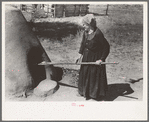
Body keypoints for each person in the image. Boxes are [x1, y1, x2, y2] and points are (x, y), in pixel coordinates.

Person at [77, 14, 110, 101]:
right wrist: (80, 55)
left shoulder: (98, 33)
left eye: (84, 24)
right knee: (85, 74)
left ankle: (94, 94)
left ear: (89, 25)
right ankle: (85, 92)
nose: (83, 26)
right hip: (86, 57)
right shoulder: (85, 32)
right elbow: (83, 44)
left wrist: (101, 59)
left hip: (95, 58)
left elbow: (106, 47)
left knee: (93, 76)